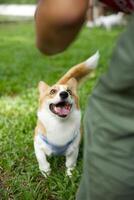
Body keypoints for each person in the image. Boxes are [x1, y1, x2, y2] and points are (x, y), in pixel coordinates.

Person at [35, 1, 134, 199]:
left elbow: (63, 13)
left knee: (110, 113)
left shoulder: (73, 115)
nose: (64, 94)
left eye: (68, 93)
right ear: (43, 97)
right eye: (53, 92)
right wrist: (43, 165)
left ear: (74, 99)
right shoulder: (40, 134)